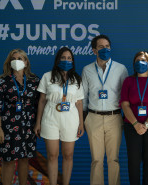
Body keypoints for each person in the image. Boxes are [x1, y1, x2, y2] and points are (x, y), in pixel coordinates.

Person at [81, 34, 128, 185]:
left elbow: (125, 96)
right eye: (101, 47)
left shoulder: (120, 69)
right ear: (94, 50)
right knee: (96, 160)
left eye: (107, 46)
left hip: (114, 117)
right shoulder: (87, 70)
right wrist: (84, 119)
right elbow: (83, 97)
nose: (105, 49)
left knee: (113, 159)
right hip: (93, 118)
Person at [34, 47, 84, 185]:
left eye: (69, 58)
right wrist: (37, 122)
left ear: (72, 61)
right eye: (63, 58)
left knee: (68, 155)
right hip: (50, 117)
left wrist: (81, 123)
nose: (66, 60)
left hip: (70, 118)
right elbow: (42, 100)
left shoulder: (76, 79)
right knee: (52, 156)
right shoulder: (47, 76)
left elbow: (79, 103)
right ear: (57, 60)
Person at [0, 49, 40, 185]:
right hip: (9, 127)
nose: (17, 61)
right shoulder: (2, 81)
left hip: (28, 126)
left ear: (26, 62)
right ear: (9, 62)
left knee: (25, 159)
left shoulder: (34, 81)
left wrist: (39, 124)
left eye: (20, 58)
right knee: (9, 160)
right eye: (14, 59)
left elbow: (40, 104)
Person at [120, 51, 148, 185]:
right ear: (134, 64)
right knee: (133, 160)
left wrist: (146, 125)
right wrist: (135, 124)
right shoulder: (128, 81)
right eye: (138, 60)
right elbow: (124, 104)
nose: (141, 62)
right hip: (131, 126)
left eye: (144, 60)